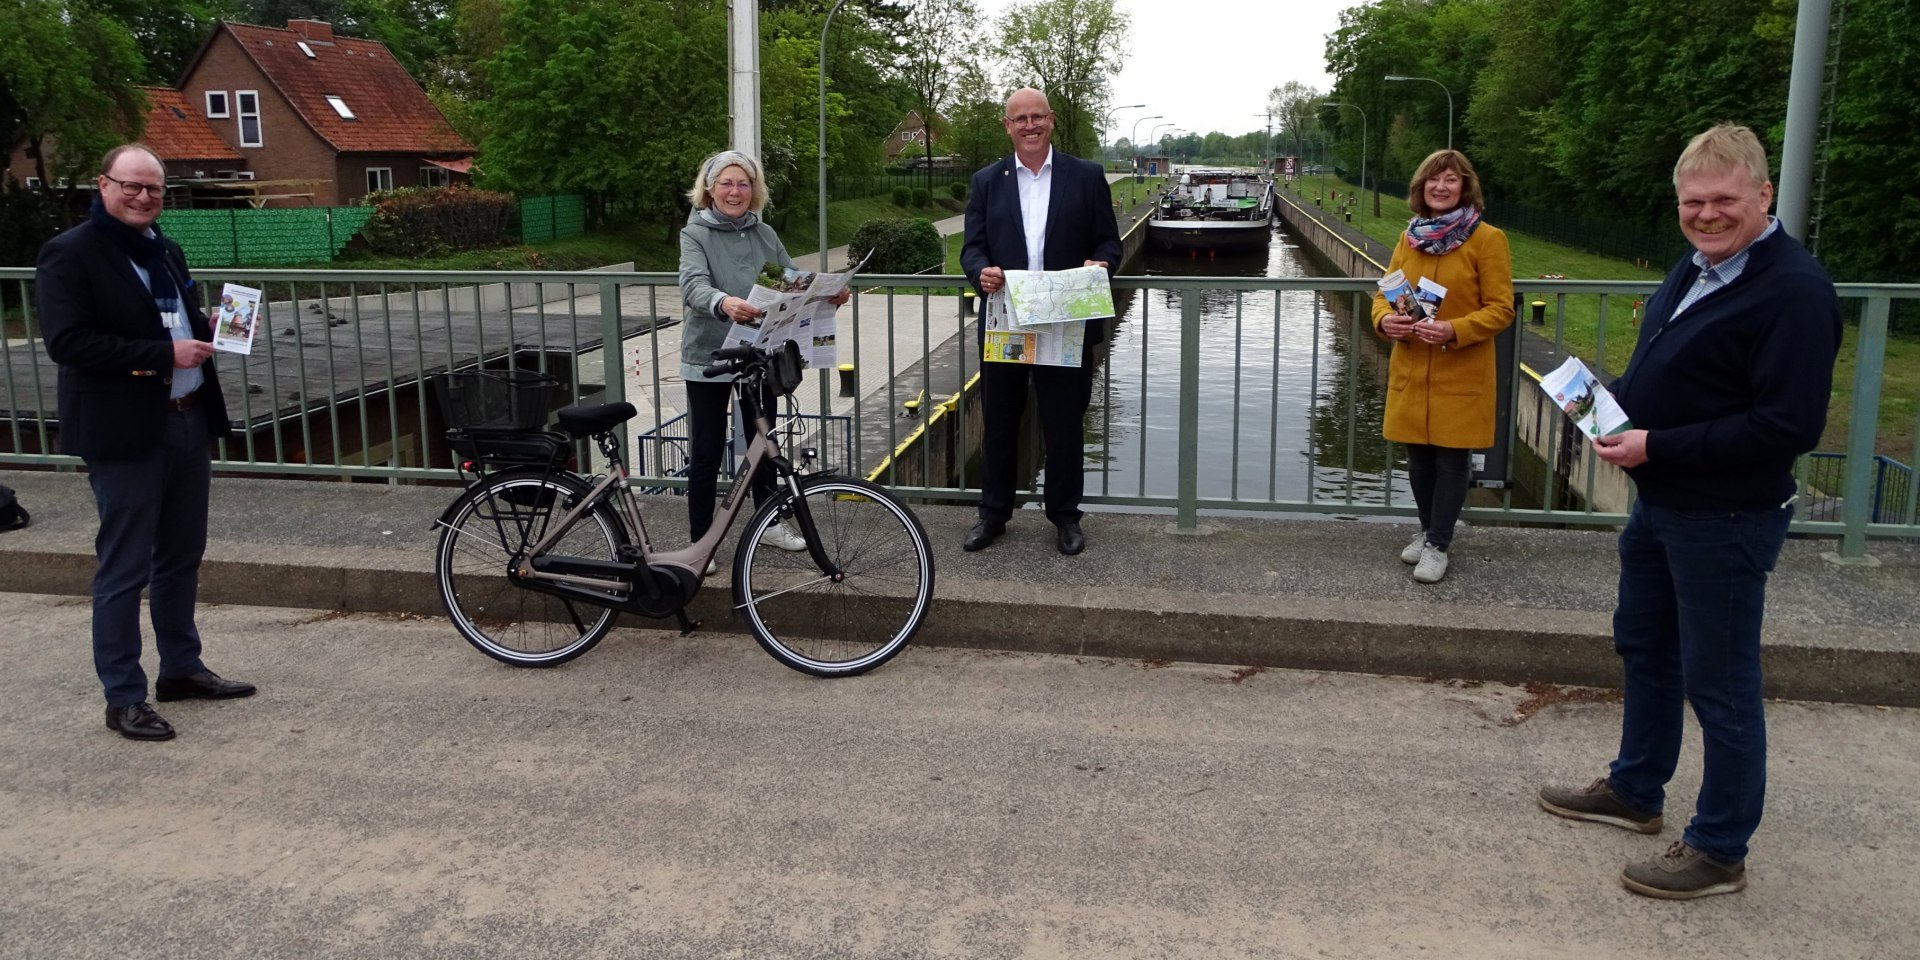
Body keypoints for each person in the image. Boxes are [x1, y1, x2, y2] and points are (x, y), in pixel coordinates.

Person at [1538, 124, 1841, 900]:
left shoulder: (1795, 291)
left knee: (1721, 683)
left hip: (1726, 516)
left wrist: (1657, 445)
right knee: (1645, 646)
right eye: (1693, 202)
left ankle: (1718, 849)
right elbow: (1675, 368)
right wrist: (1609, 405)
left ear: (1764, 195)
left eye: (1723, 200)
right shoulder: (1699, 265)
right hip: (1664, 502)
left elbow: (1787, 427)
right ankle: (1636, 789)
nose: (1706, 214)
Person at [37, 144, 255, 742]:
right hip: (124, 430)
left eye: (153, 189)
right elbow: (68, 343)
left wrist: (211, 329)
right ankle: (124, 698)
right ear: (103, 184)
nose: (142, 197)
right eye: (131, 185)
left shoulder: (165, 249)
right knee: (124, 567)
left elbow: (176, 324)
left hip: (188, 419)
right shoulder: (71, 252)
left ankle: (181, 669)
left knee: (181, 556)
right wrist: (163, 355)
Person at [960, 87, 1123, 556]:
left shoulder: (1086, 176)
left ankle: (1066, 517)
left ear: (1051, 120)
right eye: (1020, 119)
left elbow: (1109, 243)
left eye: (1037, 117)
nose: (1029, 126)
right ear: (1007, 126)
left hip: (1065, 322)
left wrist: (1101, 264)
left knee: (1064, 424)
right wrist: (980, 271)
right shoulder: (986, 181)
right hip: (1006, 321)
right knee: (999, 422)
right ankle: (993, 515)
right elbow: (972, 247)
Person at [677, 150, 848, 567]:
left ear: (754, 190)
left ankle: (768, 524)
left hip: (758, 354)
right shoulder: (694, 233)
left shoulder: (765, 233)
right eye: (726, 183)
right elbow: (692, 285)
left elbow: (792, 281)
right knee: (707, 448)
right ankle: (700, 541)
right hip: (710, 354)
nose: (735, 192)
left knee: (763, 441)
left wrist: (828, 294)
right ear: (709, 189)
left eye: (743, 184)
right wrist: (723, 303)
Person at [1369, 149, 1514, 584]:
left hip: (1459, 369)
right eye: (1433, 180)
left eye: (1451, 179)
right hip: (1413, 368)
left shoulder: (1488, 239)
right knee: (1419, 460)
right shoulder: (1409, 238)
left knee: (1452, 461)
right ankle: (1427, 528)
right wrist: (1385, 320)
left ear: (1465, 186)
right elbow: (1384, 294)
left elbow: (1501, 309)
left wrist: (1455, 329)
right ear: (1421, 188)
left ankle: (1438, 544)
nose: (1441, 187)